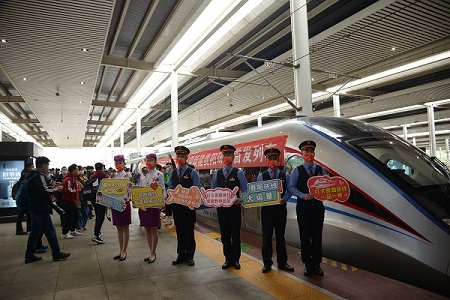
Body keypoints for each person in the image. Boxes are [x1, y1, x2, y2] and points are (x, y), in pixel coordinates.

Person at [288, 140, 327, 277]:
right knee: (304, 236)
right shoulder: (296, 171)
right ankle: (307, 264)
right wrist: (303, 196)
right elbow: (291, 187)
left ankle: (317, 264)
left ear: (314, 153)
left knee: (317, 237)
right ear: (301, 154)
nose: (308, 154)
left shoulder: (321, 170)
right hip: (303, 208)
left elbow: (328, 186)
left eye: (311, 151)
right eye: (306, 151)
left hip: (317, 208)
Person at [24, 156, 70, 263]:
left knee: (35, 232)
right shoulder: (39, 176)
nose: (48, 167)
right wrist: (57, 189)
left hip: (34, 207)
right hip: (40, 207)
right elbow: (44, 191)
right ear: (43, 165)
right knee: (50, 230)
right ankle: (56, 253)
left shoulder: (31, 175)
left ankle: (29, 254)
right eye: (47, 165)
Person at [257, 148, 294, 273]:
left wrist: (284, 199)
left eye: (275, 158)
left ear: (279, 160)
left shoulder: (285, 175)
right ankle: (267, 263)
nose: (272, 160)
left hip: (280, 210)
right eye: (270, 158)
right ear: (266, 160)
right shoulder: (262, 176)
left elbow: (290, 190)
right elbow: (258, 192)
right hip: (267, 211)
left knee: (280, 237)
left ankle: (282, 262)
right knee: (266, 237)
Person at [211, 145, 248, 270]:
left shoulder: (239, 173)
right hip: (221, 209)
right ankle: (227, 258)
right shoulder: (217, 174)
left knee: (235, 235)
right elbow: (213, 190)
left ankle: (236, 259)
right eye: (224, 155)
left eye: (229, 155)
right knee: (225, 234)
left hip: (234, 209)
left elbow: (245, 189)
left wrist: (241, 199)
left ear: (233, 156)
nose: (226, 157)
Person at [169, 146, 200, 266]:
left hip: (189, 207)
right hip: (177, 206)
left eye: (182, 156)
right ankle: (181, 254)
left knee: (188, 231)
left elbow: (196, 189)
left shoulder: (193, 173)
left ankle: (190, 255)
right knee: (180, 230)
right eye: (178, 156)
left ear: (187, 157)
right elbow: (170, 187)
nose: (180, 158)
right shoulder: (173, 173)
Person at [136, 153, 166, 263]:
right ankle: (150, 252)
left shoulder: (159, 174)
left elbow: (162, 189)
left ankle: (153, 253)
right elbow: (140, 189)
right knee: (147, 229)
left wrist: (162, 202)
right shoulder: (143, 175)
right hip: (144, 206)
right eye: (147, 160)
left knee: (153, 229)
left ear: (156, 161)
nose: (149, 162)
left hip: (154, 206)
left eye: (151, 160)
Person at [111, 155, 132, 261]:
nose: (118, 165)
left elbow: (128, 189)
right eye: (116, 163)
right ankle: (120, 250)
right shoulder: (114, 176)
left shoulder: (127, 175)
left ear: (124, 164)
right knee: (119, 227)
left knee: (125, 227)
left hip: (124, 202)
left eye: (120, 162)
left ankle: (124, 250)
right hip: (115, 203)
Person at [60, 164, 81, 239]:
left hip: (72, 200)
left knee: (75, 216)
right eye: (77, 169)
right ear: (73, 170)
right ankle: (64, 233)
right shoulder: (68, 179)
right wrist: (76, 191)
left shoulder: (73, 178)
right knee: (68, 217)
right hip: (67, 201)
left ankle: (72, 230)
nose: (78, 171)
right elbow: (68, 189)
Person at [90, 162, 109, 244]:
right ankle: (96, 235)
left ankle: (98, 232)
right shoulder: (105, 175)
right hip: (102, 197)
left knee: (98, 216)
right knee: (101, 217)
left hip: (94, 197)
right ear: (102, 167)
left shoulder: (92, 175)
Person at [16, 162, 34, 235]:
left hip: (24, 197)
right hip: (22, 198)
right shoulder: (25, 175)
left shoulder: (25, 175)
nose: (32, 168)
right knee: (21, 213)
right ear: (28, 167)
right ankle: (19, 229)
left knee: (28, 213)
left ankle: (29, 227)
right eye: (32, 167)